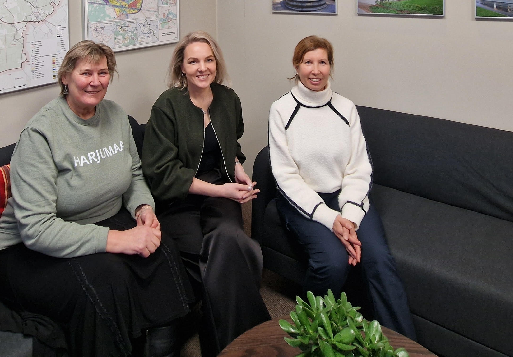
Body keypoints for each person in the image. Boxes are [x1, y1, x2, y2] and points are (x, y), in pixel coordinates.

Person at [0, 40, 194, 357]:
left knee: (162, 248)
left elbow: (134, 174)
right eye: (86, 72)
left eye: (103, 72)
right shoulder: (40, 134)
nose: (95, 81)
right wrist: (119, 240)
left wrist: (143, 208)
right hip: (27, 250)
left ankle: (161, 348)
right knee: (109, 277)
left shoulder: (116, 115)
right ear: (65, 77)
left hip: (100, 219)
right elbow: (36, 229)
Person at [268, 35, 417, 339]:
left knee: (379, 260)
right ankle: (307, 334)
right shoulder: (281, 109)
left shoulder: (346, 108)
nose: (315, 70)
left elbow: (359, 168)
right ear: (296, 66)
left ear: (330, 66)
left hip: (347, 199)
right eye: (308, 62)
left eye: (322, 62)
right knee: (333, 262)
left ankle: (404, 346)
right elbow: (285, 176)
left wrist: (348, 217)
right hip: (302, 200)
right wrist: (330, 218)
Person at [141, 31, 271, 357]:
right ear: (181, 68)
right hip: (178, 197)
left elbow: (231, 145)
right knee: (204, 252)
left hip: (220, 188)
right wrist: (221, 189)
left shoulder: (228, 99)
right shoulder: (167, 106)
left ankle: (249, 345)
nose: (202, 68)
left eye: (209, 60)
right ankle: (231, 344)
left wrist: (238, 170)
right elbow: (163, 172)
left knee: (231, 240)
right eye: (193, 61)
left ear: (217, 63)